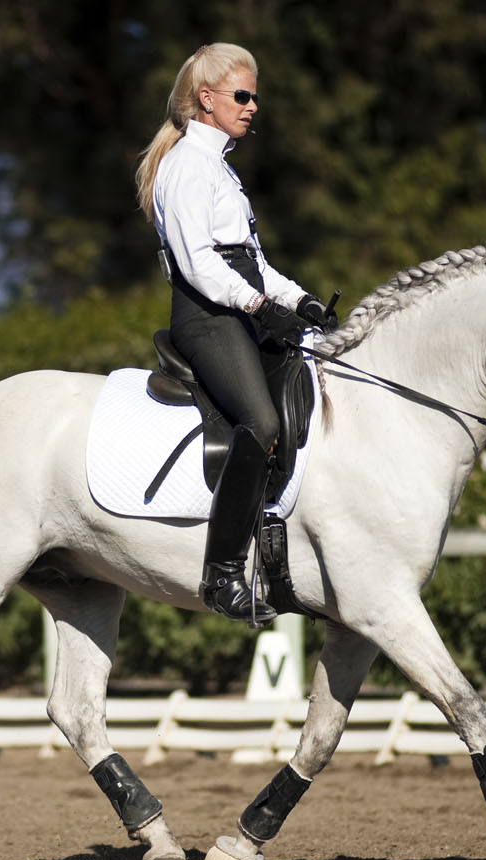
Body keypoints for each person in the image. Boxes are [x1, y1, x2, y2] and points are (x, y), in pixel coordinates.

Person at [135, 42, 336, 624]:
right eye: (242, 96)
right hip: (207, 317)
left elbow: (254, 263)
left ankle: (279, 548)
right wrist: (257, 303)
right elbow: (199, 263)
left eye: (255, 97)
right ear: (207, 99)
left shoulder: (221, 168)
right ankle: (221, 573)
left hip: (242, 308)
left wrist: (300, 300)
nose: (252, 107)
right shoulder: (186, 167)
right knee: (263, 421)